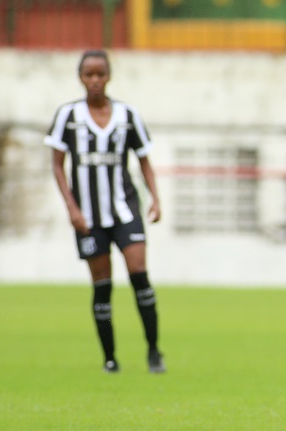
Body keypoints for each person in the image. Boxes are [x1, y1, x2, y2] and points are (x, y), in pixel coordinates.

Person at [44, 49, 165, 374]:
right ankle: (110, 359)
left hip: (125, 211)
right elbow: (57, 166)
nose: (95, 80)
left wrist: (155, 198)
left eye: (100, 74)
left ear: (109, 76)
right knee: (102, 285)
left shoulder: (127, 115)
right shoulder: (68, 116)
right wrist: (72, 208)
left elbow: (144, 160)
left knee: (139, 274)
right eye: (89, 74)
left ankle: (154, 352)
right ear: (80, 78)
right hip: (88, 217)